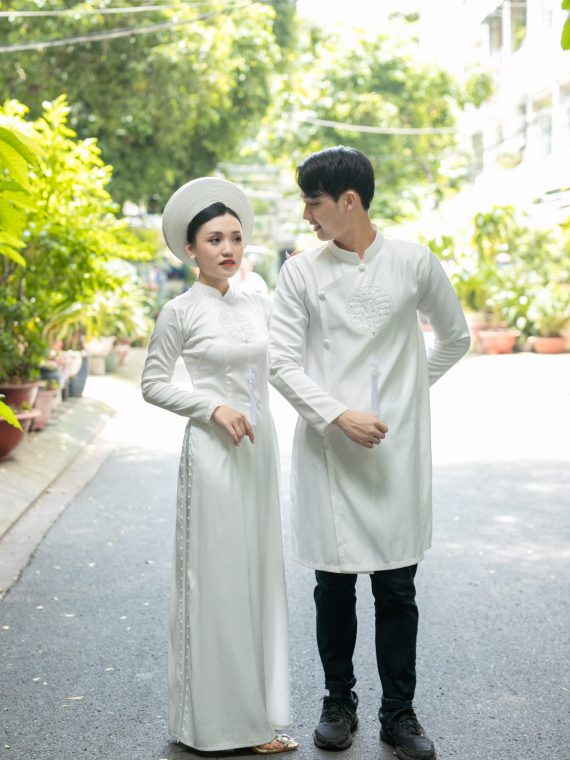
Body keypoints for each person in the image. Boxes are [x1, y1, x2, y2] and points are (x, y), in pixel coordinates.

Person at [269, 146, 471, 760]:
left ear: (349, 200)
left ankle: (399, 713)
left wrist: (409, 392)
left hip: (394, 452)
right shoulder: (300, 273)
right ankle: (338, 701)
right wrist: (338, 414)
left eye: (313, 201)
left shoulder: (414, 262)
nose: (306, 214)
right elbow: (280, 363)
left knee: (397, 587)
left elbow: (455, 337)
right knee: (332, 585)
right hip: (329, 449)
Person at [141, 177, 298, 755]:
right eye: (214, 239)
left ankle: (256, 717)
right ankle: (214, 725)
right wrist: (210, 407)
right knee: (217, 581)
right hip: (213, 453)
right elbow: (153, 383)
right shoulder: (179, 311)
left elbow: (287, 359)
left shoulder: (258, 300)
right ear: (190, 249)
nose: (228, 248)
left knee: (257, 574)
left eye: (235, 237)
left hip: (260, 449)